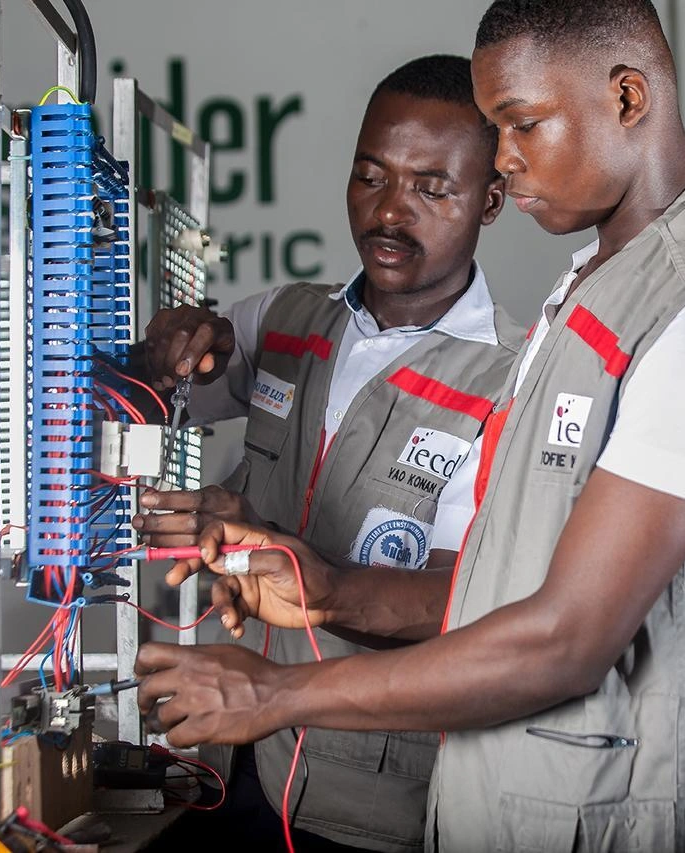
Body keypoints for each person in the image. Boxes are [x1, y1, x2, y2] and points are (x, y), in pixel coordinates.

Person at [136, 2, 685, 851]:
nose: (506, 158)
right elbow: (503, 586)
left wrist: (275, 692)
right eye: (496, 130)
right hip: (506, 806)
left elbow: (565, 638)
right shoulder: (591, 298)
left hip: (627, 818)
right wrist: (330, 590)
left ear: (629, 99)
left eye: (520, 124)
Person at [134, 55, 524, 853]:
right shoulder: (283, 319)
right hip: (218, 764)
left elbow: (478, 607)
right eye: (369, 176)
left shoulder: (511, 380)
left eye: (431, 188)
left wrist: (328, 585)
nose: (389, 212)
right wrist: (169, 347)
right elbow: (162, 401)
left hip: (368, 804)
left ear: (491, 199)